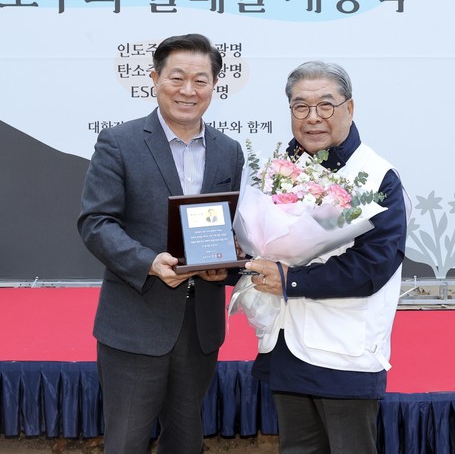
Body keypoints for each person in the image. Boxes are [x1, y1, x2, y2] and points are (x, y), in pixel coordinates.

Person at [77, 33, 245, 454]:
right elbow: (96, 223)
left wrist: (228, 266)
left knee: (186, 442)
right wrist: (148, 262)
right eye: (177, 77)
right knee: (126, 442)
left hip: (201, 328)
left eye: (200, 80)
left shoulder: (229, 151)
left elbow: (234, 228)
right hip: (135, 323)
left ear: (214, 85)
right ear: (154, 79)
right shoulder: (120, 142)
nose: (188, 90)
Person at [244, 61, 408, 454]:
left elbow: (373, 265)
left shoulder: (377, 177)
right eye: (300, 106)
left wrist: (291, 280)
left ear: (350, 108)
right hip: (286, 343)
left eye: (326, 105)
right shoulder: (278, 170)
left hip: (344, 352)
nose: (313, 117)